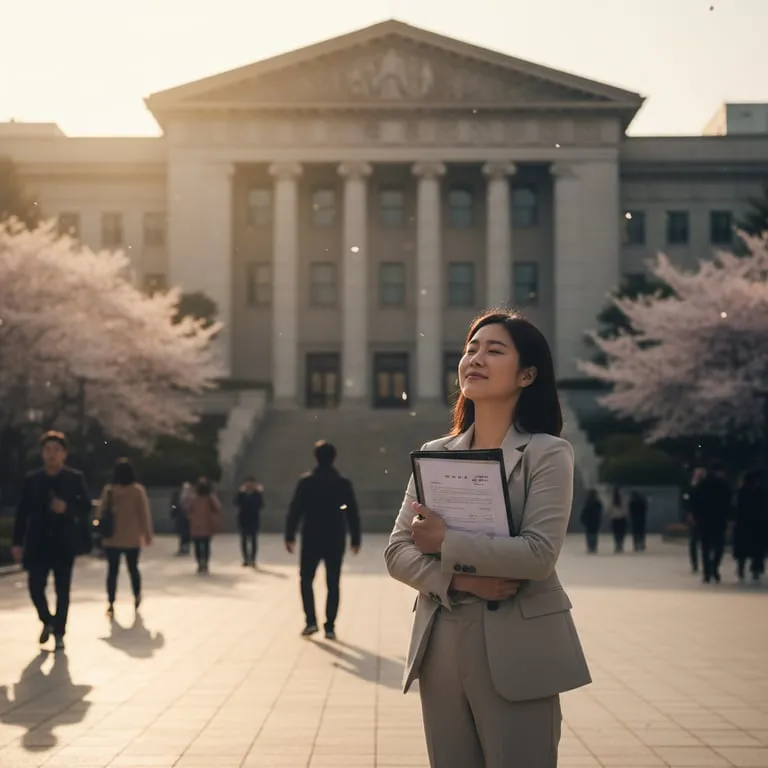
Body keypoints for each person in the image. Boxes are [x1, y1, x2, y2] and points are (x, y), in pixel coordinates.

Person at [385, 312, 591, 768]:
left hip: (520, 644)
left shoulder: (548, 453)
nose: (474, 359)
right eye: (471, 349)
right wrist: (462, 583)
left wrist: (445, 541)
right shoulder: (437, 453)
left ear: (527, 375)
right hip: (441, 641)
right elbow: (397, 552)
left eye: (494, 351)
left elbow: (539, 555)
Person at [11, 431, 92, 651]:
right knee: (35, 587)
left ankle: (59, 633)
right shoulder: (32, 479)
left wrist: (67, 508)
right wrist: (17, 542)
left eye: (56, 450)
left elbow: (86, 508)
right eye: (47, 450)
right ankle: (48, 620)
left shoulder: (74, 478)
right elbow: (22, 513)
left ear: (64, 454)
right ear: (42, 453)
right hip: (37, 542)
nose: (52, 455)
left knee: (62, 590)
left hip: (64, 542)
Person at [285, 441, 361, 640]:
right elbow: (352, 511)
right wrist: (355, 537)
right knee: (333, 582)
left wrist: (289, 535)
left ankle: (310, 621)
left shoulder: (307, 481)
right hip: (335, 537)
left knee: (306, 580)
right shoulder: (343, 483)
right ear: (334, 457)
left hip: (311, 537)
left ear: (315, 457)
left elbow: (295, 509)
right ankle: (330, 626)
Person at [97, 458, 153, 618]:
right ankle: (136, 595)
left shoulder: (109, 490)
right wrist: (147, 534)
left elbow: (100, 512)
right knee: (133, 568)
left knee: (112, 571)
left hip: (112, 538)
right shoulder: (137, 490)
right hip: (132, 538)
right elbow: (144, 514)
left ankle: (111, 601)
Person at [691, 463, 732, 583]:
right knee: (718, 547)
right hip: (719, 519)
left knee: (705, 547)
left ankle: (707, 571)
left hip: (704, 520)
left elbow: (695, 502)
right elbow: (728, 503)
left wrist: (695, 516)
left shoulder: (702, 485)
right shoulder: (724, 485)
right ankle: (714, 568)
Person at [732, 471, 767, 582]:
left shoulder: (741, 493)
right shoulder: (762, 493)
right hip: (759, 525)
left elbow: (735, 508)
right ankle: (756, 569)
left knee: (742, 550)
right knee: (758, 550)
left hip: (743, 525)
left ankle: (741, 568)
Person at [185, 477, 222, 574]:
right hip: (207, 524)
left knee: (197, 545)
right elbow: (218, 508)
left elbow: (187, 508)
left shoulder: (193, 498)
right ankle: (205, 563)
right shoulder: (210, 498)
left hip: (196, 525)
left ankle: (200, 563)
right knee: (206, 545)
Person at [235, 477, 264, 567]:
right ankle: (245, 559)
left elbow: (260, 505)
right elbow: (236, 503)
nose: (249, 485)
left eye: (252, 483)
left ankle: (253, 559)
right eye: (248, 483)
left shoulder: (257, 494)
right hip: (243, 519)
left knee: (253, 540)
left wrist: (259, 493)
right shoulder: (242, 494)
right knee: (244, 540)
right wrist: (240, 493)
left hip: (253, 519)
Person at [169, 481, 192, 555]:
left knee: (187, 532)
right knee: (181, 532)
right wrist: (174, 508)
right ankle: (182, 547)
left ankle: (186, 546)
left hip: (188, 516)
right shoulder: (177, 495)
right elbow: (173, 504)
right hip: (179, 515)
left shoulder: (191, 496)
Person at [580, 489, 603, 554]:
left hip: (589, 521)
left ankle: (590, 546)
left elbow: (584, 512)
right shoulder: (597, 503)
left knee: (589, 534)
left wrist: (583, 520)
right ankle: (593, 546)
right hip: (595, 521)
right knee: (594, 534)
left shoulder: (588, 503)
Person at [608, 486, 628, 553]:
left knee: (616, 534)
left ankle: (617, 545)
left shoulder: (612, 500)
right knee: (621, 533)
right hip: (622, 518)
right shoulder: (623, 499)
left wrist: (611, 515)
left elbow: (609, 509)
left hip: (615, 519)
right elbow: (625, 510)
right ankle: (620, 545)